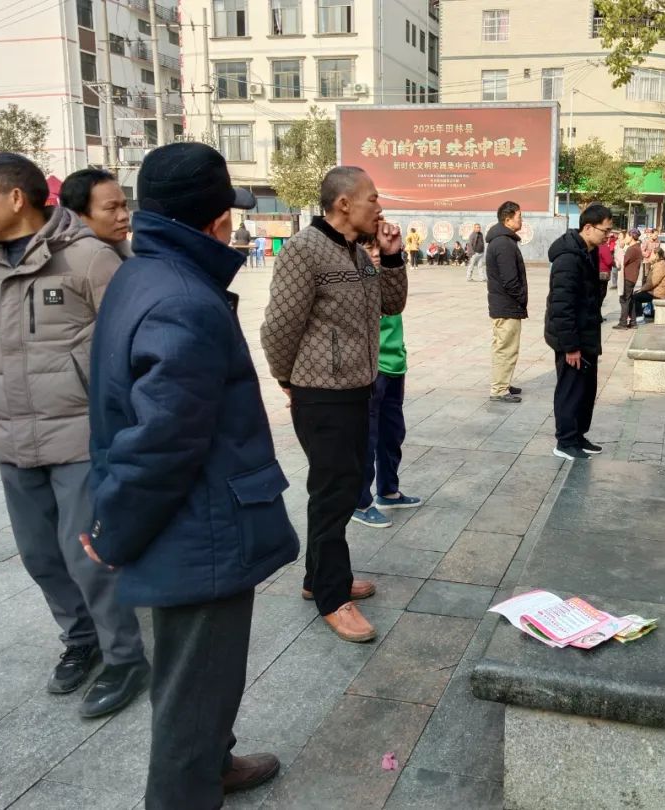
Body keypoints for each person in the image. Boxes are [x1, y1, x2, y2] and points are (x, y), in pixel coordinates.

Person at [82, 141, 298, 808]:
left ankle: (215, 761)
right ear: (218, 220)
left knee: (199, 680)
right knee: (193, 690)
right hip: (198, 532)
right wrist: (113, 531)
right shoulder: (183, 299)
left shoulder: (141, 273)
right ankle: (187, 788)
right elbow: (162, 442)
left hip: (186, 522)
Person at [0, 152, 148, 718]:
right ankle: (80, 639)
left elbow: (129, 347)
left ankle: (125, 658)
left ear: (15, 198)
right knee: (39, 555)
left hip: (78, 437)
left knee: (88, 554)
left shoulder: (89, 258)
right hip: (13, 436)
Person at [262, 166, 406, 644]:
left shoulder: (357, 254)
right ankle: (331, 595)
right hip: (321, 394)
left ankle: (318, 577)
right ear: (344, 203)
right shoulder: (304, 250)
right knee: (334, 492)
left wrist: (392, 257)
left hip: (356, 389)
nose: (379, 208)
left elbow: (391, 305)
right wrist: (289, 380)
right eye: (372, 198)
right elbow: (278, 327)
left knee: (340, 488)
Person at [351, 234, 423, 529]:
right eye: (369, 248)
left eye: (378, 248)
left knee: (392, 433)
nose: (376, 254)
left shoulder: (389, 279)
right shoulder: (352, 283)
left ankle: (388, 491)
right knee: (366, 438)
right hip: (371, 369)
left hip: (395, 366)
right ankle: (360, 502)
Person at [545, 204, 611, 460]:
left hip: (587, 335)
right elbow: (562, 306)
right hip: (571, 339)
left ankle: (578, 436)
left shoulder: (589, 252)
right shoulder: (568, 258)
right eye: (605, 231)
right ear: (588, 227)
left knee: (586, 389)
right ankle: (565, 441)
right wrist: (570, 346)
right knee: (570, 390)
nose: (607, 236)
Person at [486, 201, 528, 403]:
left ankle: (503, 382)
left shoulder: (503, 241)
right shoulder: (503, 243)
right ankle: (499, 389)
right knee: (506, 349)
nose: (521, 220)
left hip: (504, 304)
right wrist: (520, 298)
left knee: (503, 347)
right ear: (508, 219)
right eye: (519, 216)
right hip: (507, 305)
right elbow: (510, 280)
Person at [59, 168, 131, 255]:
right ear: (77, 215)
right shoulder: (72, 258)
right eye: (111, 208)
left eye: (124, 205)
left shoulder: (132, 252)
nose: (124, 216)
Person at [634, 247, 665, 322]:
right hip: (656, 290)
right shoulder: (658, 264)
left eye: (651, 254)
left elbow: (652, 282)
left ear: (657, 255)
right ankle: (642, 315)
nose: (649, 256)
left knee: (635, 297)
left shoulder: (660, 265)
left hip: (660, 291)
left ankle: (639, 318)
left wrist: (641, 289)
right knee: (637, 294)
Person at [613, 229, 643, 330]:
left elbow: (623, 262)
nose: (625, 238)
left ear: (631, 237)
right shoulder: (637, 247)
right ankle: (633, 322)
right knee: (630, 300)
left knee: (624, 299)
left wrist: (620, 250)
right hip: (632, 277)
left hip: (628, 277)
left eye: (626, 236)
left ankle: (623, 323)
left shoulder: (632, 249)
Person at [596, 230, 615, 319]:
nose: (608, 240)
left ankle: (597, 314)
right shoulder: (604, 247)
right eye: (607, 238)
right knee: (601, 294)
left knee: (596, 294)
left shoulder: (595, 246)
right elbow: (609, 261)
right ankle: (597, 315)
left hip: (594, 272)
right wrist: (615, 263)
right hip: (603, 273)